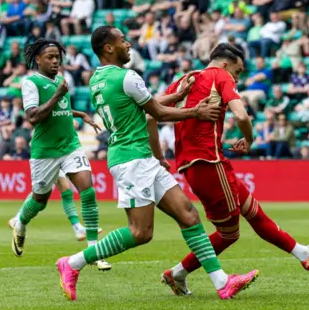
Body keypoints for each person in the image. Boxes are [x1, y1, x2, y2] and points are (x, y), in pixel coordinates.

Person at [56, 27, 258, 301]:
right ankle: (73, 262)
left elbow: (142, 106)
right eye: (122, 41)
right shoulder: (128, 76)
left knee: (188, 214)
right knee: (141, 233)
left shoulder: (99, 79)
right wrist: (195, 111)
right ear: (108, 48)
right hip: (131, 160)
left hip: (139, 157)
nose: (128, 45)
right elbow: (158, 112)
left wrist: (176, 97)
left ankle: (222, 283)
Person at [154, 43, 309, 296]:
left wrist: (176, 132)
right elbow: (243, 116)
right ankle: (177, 273)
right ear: (225, 64)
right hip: (208, 162)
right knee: (228, 234)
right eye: (238, 71)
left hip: (197, 162)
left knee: (254, 212)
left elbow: (153, 111)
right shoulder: (221, 76)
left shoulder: (186, 79)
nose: (237, 78)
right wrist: (249, 139)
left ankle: (303, 253)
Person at [10, 39, 110, 269]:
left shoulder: (59, 81)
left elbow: (59, 110)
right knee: (40, 199)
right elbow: (33, 116)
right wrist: (58, 94)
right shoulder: (31, 82)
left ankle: (93, 251)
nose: (56, 61)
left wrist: (78, 113)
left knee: (88, 188)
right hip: (45, 150)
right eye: (50, 57)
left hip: (70, 144)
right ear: (38, 59)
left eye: (58, 57)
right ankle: (21, 223)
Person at [8, 174, 104, 242]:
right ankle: (17, 219)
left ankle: (77, 227)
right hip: (47, 155)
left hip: (58, 152)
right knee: (40, 195)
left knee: (65, 191)